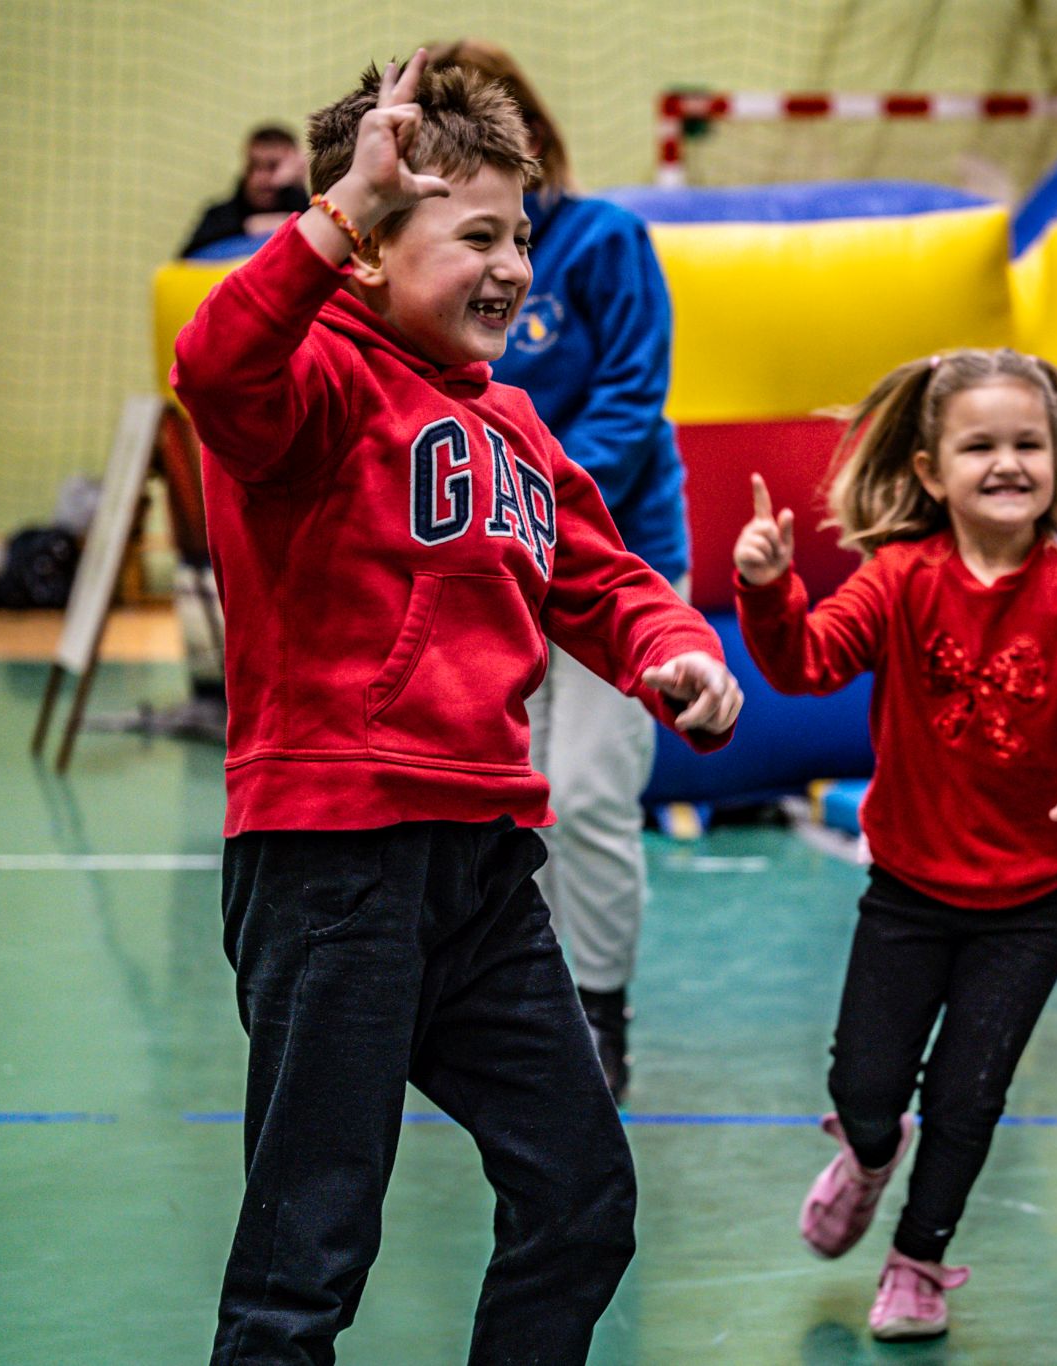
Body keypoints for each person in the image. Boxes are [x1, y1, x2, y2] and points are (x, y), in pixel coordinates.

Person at [170, 52, 742, 1365]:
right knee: (308, 1255)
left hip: (483, 870)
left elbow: (605, 579)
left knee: (582, 1196)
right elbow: (216, 365)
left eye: (519, 238)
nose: (512, 268)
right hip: (335, 865)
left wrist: (679, 652)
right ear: (370, 246)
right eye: (475, 236)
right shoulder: (315, 387)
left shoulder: (518, 426)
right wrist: (338, 208)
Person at [733, 348, 1057, 1341]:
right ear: (931, 472)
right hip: (909, 887)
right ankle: (866, 1152)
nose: (1007, 463)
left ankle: (917, 1261)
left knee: (969, 1094)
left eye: (1029, 444)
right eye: (979, 446)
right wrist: (768, 590)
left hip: (1032, 900)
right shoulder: (899, 579)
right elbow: (807, 664)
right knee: (865, 1084)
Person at [434, 38, 692, 1100]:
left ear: (533, 139)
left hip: (608, 559)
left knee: (587, 792)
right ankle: (524, 1009)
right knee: (510, 804)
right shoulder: (428, 264)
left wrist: (527, 496)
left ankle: (601, 1008)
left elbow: (632, 393)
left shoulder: (601, 241)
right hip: (485, 573)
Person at [181, 124, 311, 256]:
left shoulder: (308, 213)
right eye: (254, 166)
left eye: (272, 166)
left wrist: (295, 187)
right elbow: (187, 261)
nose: (260, 177)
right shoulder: (218, 216)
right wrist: (245, 227)